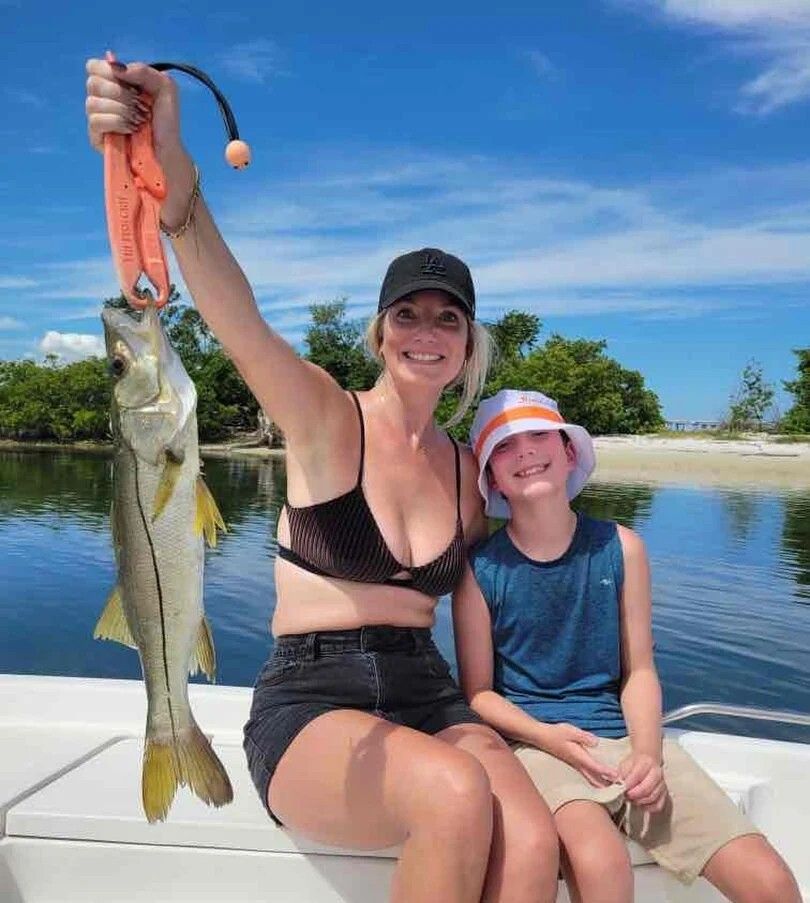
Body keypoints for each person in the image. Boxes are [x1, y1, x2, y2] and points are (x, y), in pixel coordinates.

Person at [84, 59, 560, 903]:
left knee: (530, 842)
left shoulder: (468, 475)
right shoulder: (322, 416)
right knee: (454, 794)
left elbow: (542, 571)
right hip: (313, 697)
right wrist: (169, 168)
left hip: (430, 690)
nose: (427, 331)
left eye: (447, 318)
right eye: (407, 314)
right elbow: (237, 316)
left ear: (467, 345)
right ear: (380, 334)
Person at [453, 388, 802, 903]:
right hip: (536, 745)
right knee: (602, 866)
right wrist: (550, 738)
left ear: (568, 451)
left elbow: (639, 670)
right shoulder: (480, 571)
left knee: (771, 881)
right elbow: (479, 693)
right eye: (504, 447)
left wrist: (648, 754)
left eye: (537, 435)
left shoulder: (623, 548)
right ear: (491, 478)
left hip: (625, 741)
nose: (524, 452)